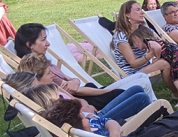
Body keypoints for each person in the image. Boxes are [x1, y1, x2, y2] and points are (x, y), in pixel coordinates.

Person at [13, 23, 157, 105]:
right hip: (88, 101)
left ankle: (155, 108)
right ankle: (155, 109)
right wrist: (106, 91)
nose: (48, 43)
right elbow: (73, 91)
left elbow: (72, 82)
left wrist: (75, 81)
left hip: (89, 93)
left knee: (142, 77)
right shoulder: (36, 71)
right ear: (29, 44)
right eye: (43, 40)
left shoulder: (43, 62)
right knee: (142, 84)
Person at [14, 56, 154, 122]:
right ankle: (153, 119)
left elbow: (77, 100)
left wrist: (86, 106)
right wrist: (87, 111)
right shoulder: (47, 99)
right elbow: (75, 120)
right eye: (48, 74)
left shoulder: (51, 89)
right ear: (37, 79)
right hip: (95, 122)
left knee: (136, 89)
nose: (52, 75)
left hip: (92, 113)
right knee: (140, 98)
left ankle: (153, 115)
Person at [110, 0, 178, 93]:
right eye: (138, 10)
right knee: (164, 64)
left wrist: (158, 47)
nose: (142, 12)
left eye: (141, 9)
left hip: (146, 64)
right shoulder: (121, 36)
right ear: (127, 14)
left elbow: (160, 42)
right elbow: (133, 63)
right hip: (131, 72)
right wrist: (150, 55)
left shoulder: (143, 29)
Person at [128, 26, 178, 106]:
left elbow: (157, 47)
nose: (135, 45)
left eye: (135, 42)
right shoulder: (157, 40)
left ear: (141, 38)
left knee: (176, 80)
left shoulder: (149, 42)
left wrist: (157, 58)